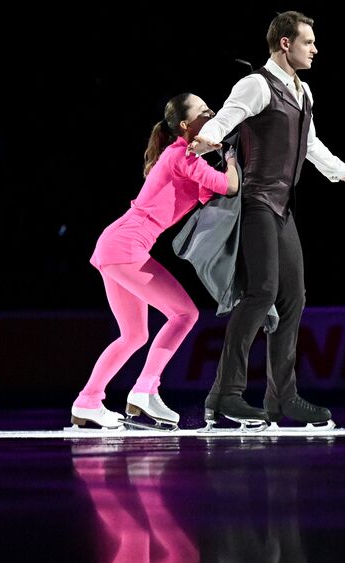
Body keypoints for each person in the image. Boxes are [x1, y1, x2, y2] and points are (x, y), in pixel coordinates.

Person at [188, 10, 345, 430]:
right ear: (285, 43)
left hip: (283, 207)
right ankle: (225, 394)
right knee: (262, 292)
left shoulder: (303, 91)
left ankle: (281, 399)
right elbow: (226, 118)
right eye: (308, 41)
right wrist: (206, 142)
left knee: (294, 297)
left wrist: (342, 170)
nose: (315, 48)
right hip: (256, 202)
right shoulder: (257, 84)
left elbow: (308, 143)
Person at [71, 94, 239, 430]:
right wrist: (232, 156)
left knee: (133, 335)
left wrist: (215, 150)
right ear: (185, 126)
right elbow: (230, 186)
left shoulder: (184, 157)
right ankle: (146, 389)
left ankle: (87, 401)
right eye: (204, 111)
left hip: (117, 246)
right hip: (126, 246)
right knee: (185, 313)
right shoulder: (180, 155)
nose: (212, 112)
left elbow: (210, 188)